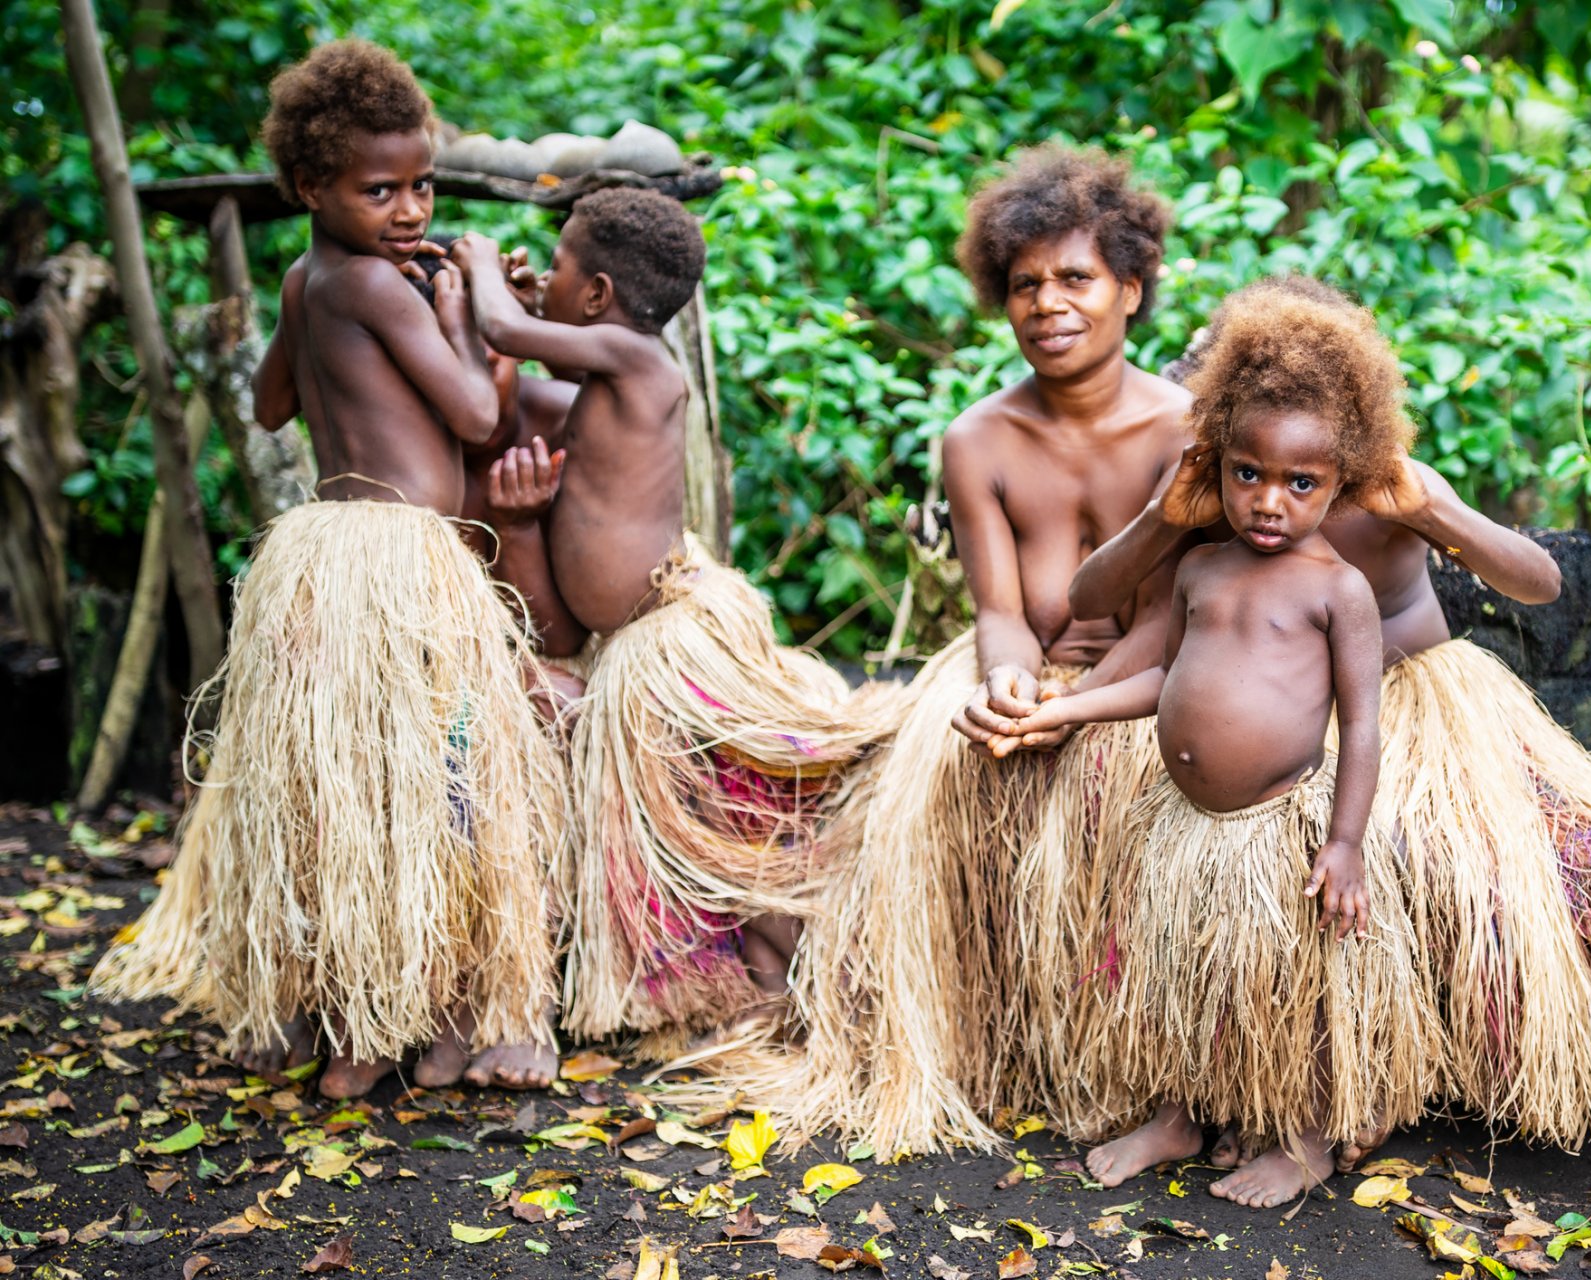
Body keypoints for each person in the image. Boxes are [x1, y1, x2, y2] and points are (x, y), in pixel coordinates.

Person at [1070, 275, 1591, 1191]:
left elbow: (1542, 582)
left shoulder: (1388, 480)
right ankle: (1248, 1101)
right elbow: (1142, 625)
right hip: (1277, 736)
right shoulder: (1223, 488)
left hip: (1417, 706)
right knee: (1249, 893)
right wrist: (1070, 691)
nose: (1270, 487)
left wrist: (1432, 513)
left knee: (1547, 859)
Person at [92, 40, 565, 1101]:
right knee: (443, 791)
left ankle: (354, 1016)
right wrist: (475, 317)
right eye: (381, 189)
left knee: (350, 796)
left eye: (423, 184)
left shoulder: (310, 278)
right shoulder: (385, 289)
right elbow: (484, 418)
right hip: (401, 570)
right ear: (311, 185)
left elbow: (266, 406)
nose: (410, 208)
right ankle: (432, 1008)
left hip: (325, 558)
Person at [710, 145, 1192, 1157]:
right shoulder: (979, 438)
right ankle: (974, 1044)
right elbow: (1000, 607)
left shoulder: (1188, 429)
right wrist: (1011, 681)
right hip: (1024, 676)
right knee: (946, 780)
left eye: (1075, 278)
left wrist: (1079, 707)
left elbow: (1181, 611)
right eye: (1025, 285)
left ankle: (1137, 1063)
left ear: (1131, 289)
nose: (1048, 303)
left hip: (1154, 687)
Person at [1002, 280, 1433, 1207]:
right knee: (1180, 977)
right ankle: (1177, 1113)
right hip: (1184, 824)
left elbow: (1360, 722)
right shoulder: (1199, 564)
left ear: (1344, 481)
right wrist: (1069, 710)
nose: (1268, 501)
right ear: (1217, 464)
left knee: (1295, 991)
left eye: (1301, 483)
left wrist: (1347, 844)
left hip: (1279, 825)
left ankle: (1306, 1136)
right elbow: (1166, 679)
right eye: (1247, 474)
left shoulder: (1337, 590)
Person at [449, 189, 904, 1055]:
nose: (543, 278)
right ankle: (747, 976)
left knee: (724, 811)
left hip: (668, 637)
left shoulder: (633, 359)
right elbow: (515, 383)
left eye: (557, 268)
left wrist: (478, 268)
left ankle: (783, 973)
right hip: (633, 642)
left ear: (596, 297)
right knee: (695, 822)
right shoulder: (609, 380)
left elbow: (507, 336)